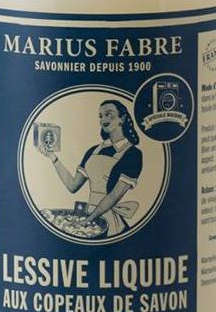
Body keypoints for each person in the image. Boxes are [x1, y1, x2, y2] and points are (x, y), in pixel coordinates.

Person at [38, 99, 143, 236]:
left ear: (122, 118)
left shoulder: (133, 154)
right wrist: (53, 158)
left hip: (108, 221)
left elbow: (113, 196)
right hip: (88, 218)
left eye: (108, 114)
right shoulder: (93, 151)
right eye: (100, 116)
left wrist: (89, 220)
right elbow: (72, 186)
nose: (103, 119)